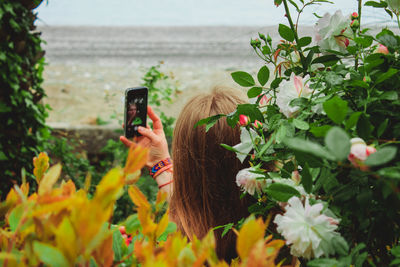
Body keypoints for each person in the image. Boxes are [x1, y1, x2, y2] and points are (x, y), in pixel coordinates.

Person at [120, 86, 252, 262]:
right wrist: (160, 165)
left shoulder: (168, 253)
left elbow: (197, 206)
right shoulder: (281, 232)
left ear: (185, 161)